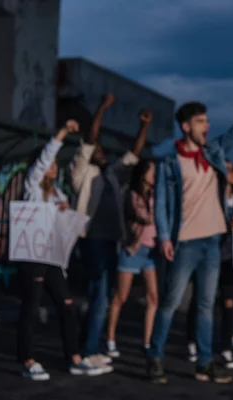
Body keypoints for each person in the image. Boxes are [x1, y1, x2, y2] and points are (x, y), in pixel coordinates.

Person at [148, 85, 233, 384]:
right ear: (186, 126)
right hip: (185, 242)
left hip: (213, 241)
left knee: (206, 305)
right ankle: (155, 355)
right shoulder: (170, 163)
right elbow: (162, 203)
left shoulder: (213, 153)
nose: (207, 126)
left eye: (206, 121)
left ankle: (204, 362)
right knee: (170, 301)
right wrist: (165, 237)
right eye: (201, 121)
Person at [18, 120, 112, 380]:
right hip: (32, 256)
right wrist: (61, 133)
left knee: (67, 305)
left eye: (54, 164)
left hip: (52, 258)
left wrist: (66, 211)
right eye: (49, 163)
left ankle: (75, 357)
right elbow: (43, 160)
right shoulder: (32, 186)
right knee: (31, 307)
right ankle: (27, 360)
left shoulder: (57, 191)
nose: (53, 166)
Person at [69, 93, 151, 367]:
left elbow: (134, 155)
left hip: (110, 242)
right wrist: (101, 108)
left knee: (100, 297)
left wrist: (144, 126)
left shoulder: (113, 175)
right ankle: (88, 352)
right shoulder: (81, 171)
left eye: (104, 151)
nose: (102, 153)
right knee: (101, 297)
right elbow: (91, 138)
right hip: (91, 239)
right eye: (99, 151)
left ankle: (87, 347)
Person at [185, 160, 233, 369]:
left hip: (230, 259)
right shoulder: (211, 198)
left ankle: (226, 348)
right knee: (201, 300)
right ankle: (192, 341)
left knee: (229, 305)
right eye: (227, 169)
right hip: (209, 254)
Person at [106, 160, 159, 359]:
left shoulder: (155, 194)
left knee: (154, 297)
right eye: (152, 171)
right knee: (121, 296)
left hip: (150, 250)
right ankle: (110, 338)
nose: (154, 176)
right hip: (133, 249)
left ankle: (146, 341)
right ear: (142, 173)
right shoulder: (131, 195)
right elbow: (142, 218)